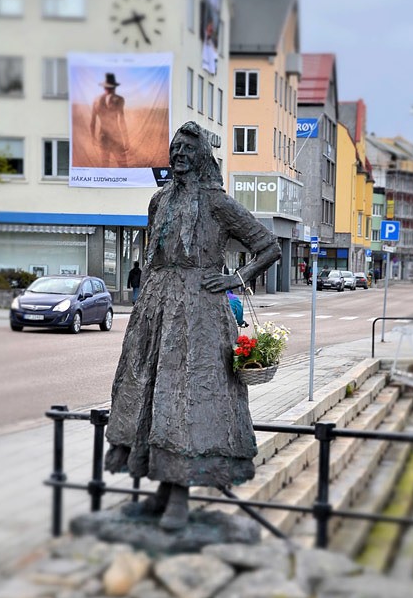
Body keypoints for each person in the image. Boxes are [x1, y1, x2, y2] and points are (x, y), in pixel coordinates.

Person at [105, 121, 281, 531]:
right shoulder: (159, 200)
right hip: (156, 308)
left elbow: (268, 245)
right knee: (149, 391)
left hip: (199, 311)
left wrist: (236, 278)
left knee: (189, 398)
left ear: (201, 156)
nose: (179, 155)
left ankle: (181, 496)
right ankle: (163, 488)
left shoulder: (217, 202)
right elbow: (152, 257)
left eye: (187, 149)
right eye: (174, 148)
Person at [90, 72, 129, 167]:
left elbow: (93, 122)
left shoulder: (96, 100)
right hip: (115, 136)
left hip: (103, 136)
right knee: (123, 165)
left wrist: (93, 137)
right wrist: (126, 139)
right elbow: (121, 120)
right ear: (114, 87)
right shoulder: (119, 99)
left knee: (105, 165)